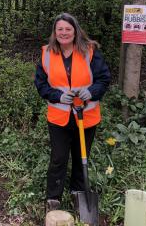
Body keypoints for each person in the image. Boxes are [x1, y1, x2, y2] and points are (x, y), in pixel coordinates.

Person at [34, 12, 111, 212]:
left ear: (75, 31)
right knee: (58, 158)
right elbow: (41, 85)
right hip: (59, 118)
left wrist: (90, 92)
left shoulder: (89, 51)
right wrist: (57, 96)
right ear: (55, 32)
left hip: (86, 117)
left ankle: (78, 195)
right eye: (60, 29)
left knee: (80, 157)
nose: (64, 32)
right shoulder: (47, 53)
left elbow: (104, 79)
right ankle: (53, 199)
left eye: (68, 29)